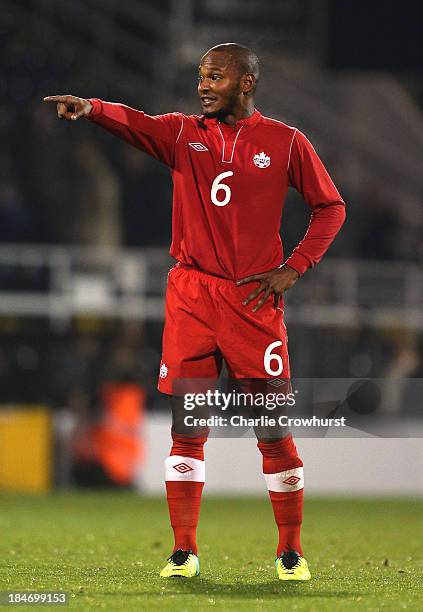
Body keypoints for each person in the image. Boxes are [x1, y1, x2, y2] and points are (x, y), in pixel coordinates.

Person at [44, 42, 346, 581]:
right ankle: (184, 551)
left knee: (273, 431)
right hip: (192, 298)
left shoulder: (285, 142)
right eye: (200, 76)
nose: (203, 85)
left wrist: (295, 267)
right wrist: (92, 108)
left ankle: (291, 552)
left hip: (254, 300)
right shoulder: (184, 134)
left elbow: (331, 206)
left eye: (215, 77)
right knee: (189, 428)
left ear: (247, 83)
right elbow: (135, 123)